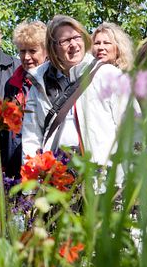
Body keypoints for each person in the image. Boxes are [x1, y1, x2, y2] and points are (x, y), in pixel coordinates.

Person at [22, 16, 136, 172]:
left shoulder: (110, 75)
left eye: (77, 37)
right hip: (55, 176)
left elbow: (132, 126)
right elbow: (31, 135)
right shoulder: (39, 82)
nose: (74, 45)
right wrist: (32, 181)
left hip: (101, 176)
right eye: (65, 40)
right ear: (53, 47)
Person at [1, 21, 48, 177]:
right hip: (14, 163)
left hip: (43, 162)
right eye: (22, 51)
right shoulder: (12, 84)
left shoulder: (53, 81)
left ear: (46, 51)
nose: (27, 57)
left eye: (33, 51)